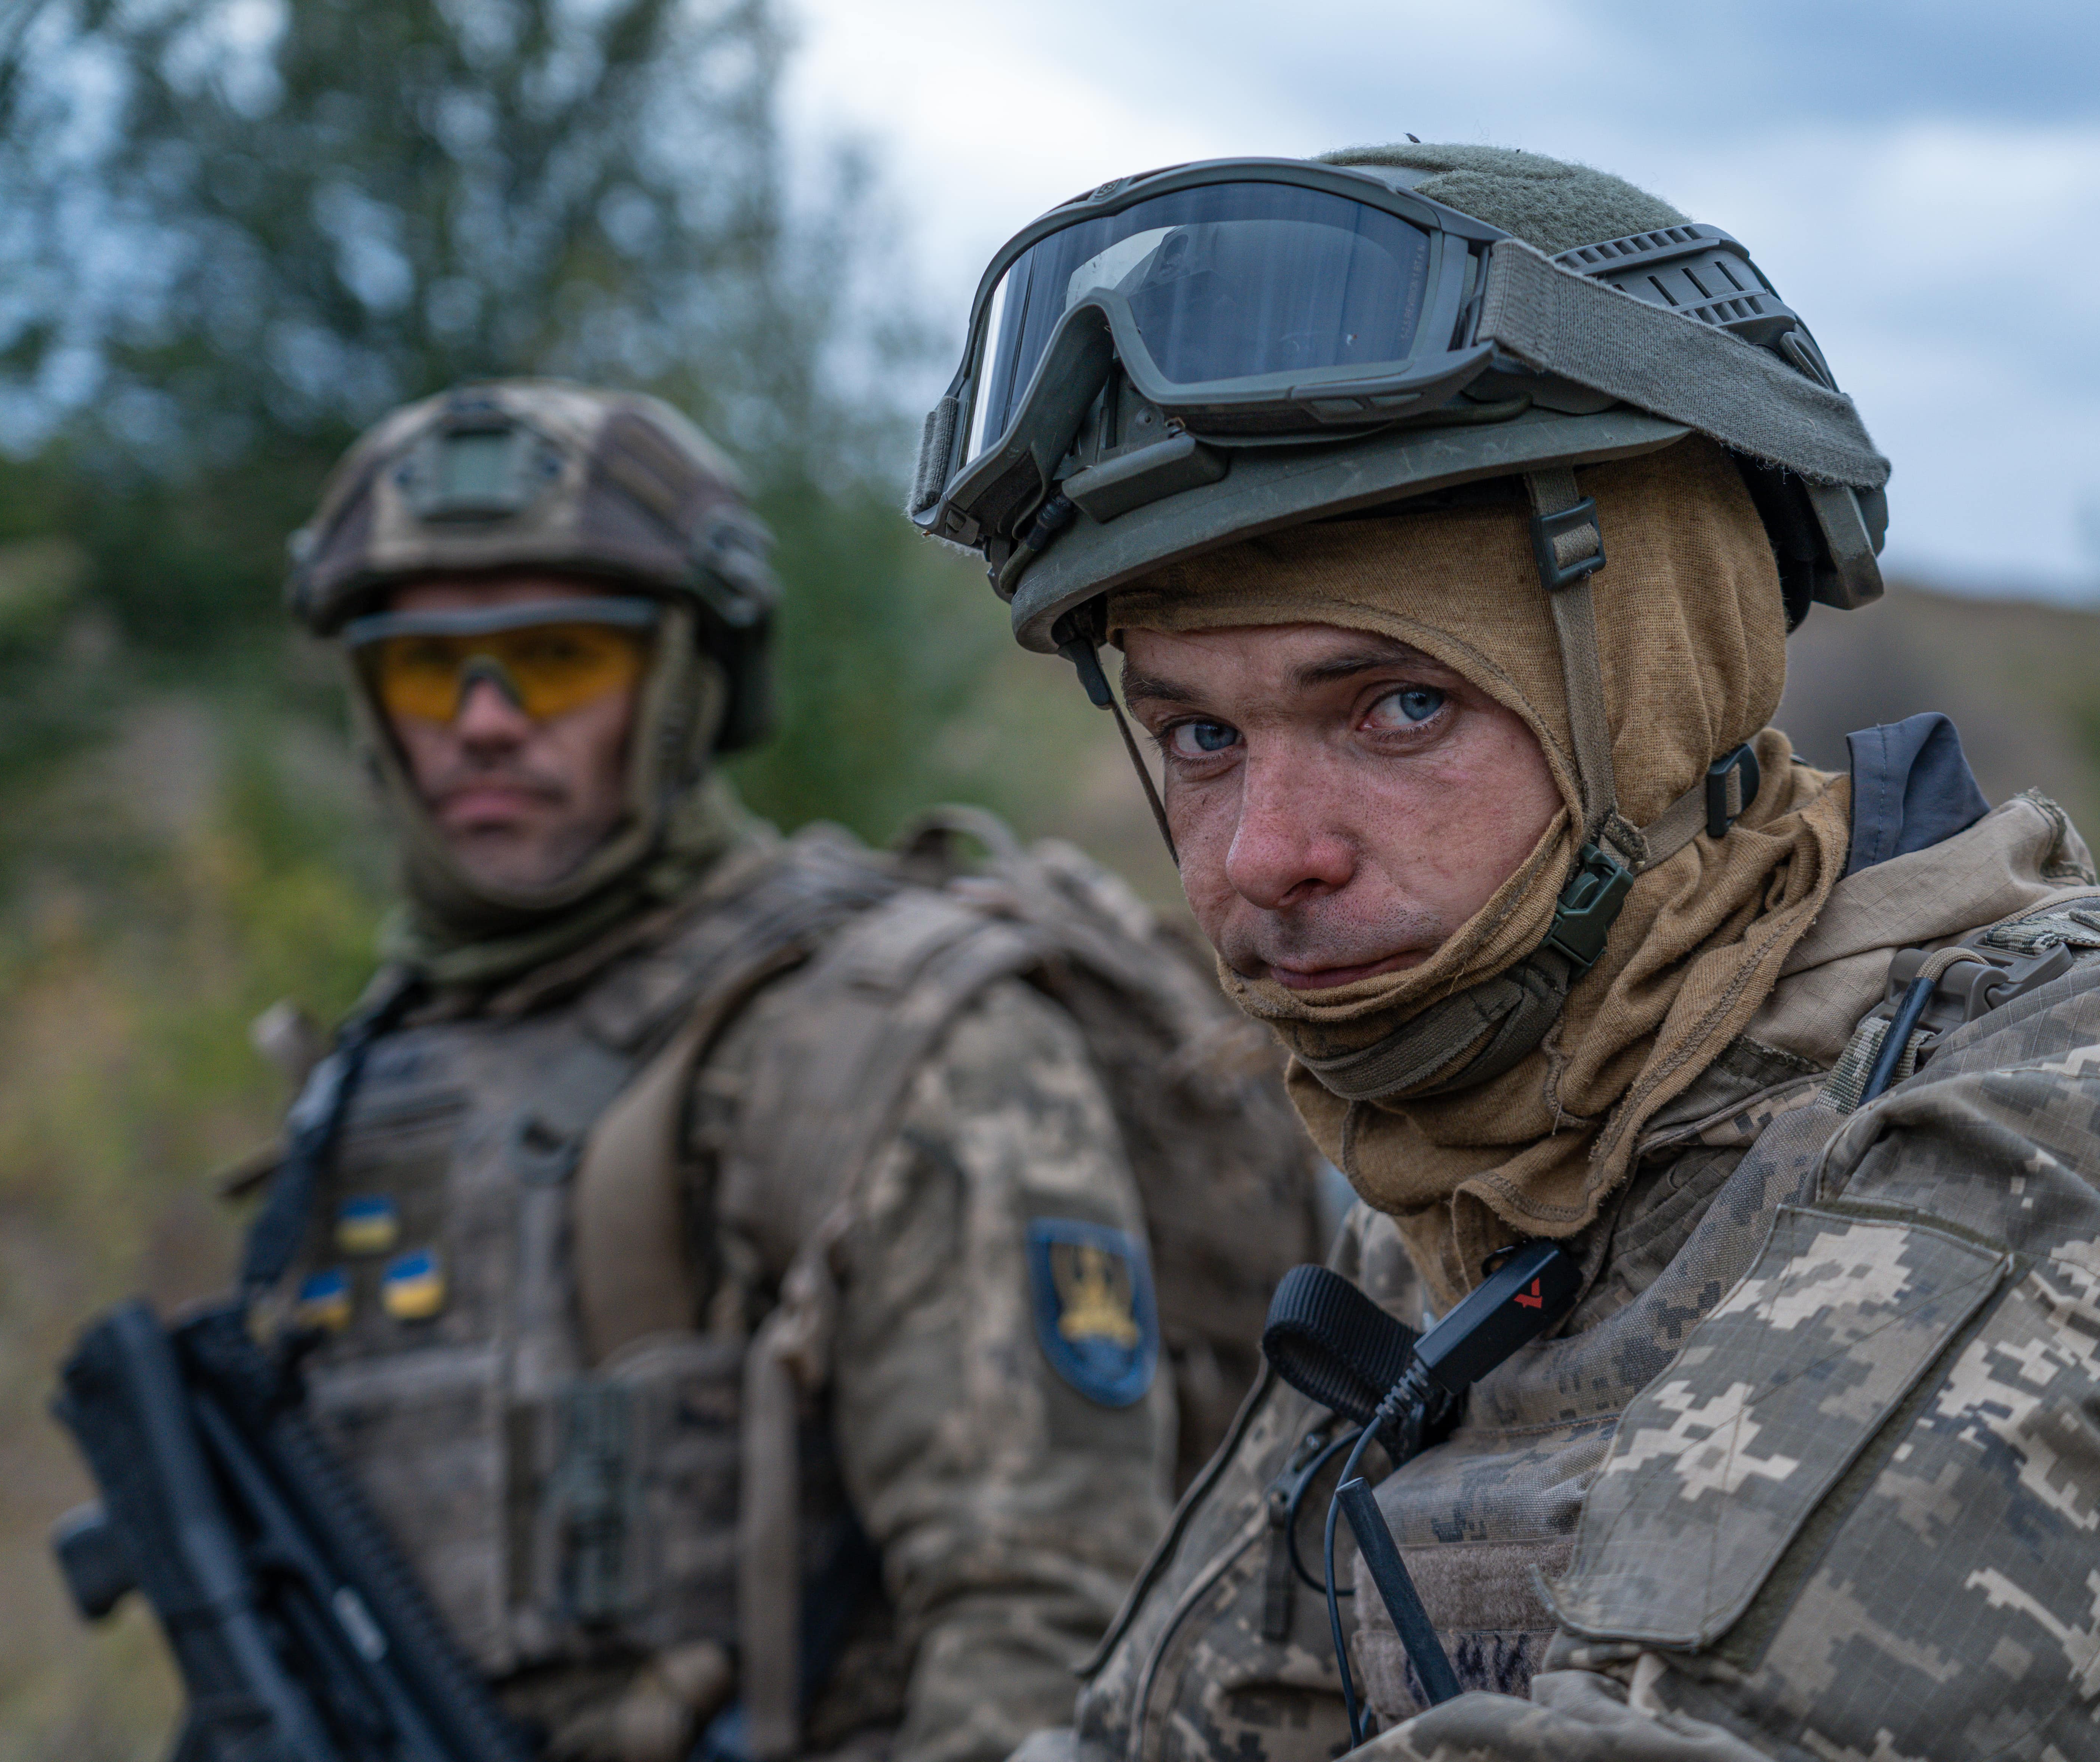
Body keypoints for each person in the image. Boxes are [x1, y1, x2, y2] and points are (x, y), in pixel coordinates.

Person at [911, 146, 2100, 1760]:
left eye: (1400, 706)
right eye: (1199, 737)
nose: (1264, 855)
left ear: (1656, 687)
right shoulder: (1477, 1207)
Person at [252, 380, 1317, 1762]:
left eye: (557, 661)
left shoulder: (881, 1034)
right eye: (423, 671)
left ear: (689, 684)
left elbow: (1039, 1625)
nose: (486, 720)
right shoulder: (372, 1074)